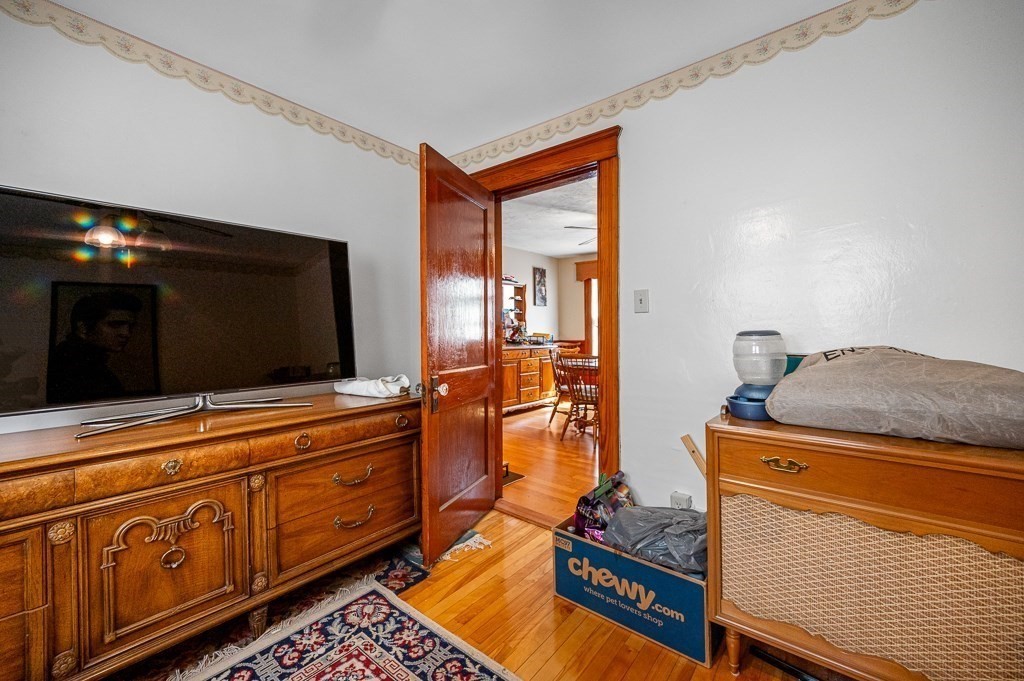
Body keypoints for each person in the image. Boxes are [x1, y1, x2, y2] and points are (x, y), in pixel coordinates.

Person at [46, 291, 142, 404]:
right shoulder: (70, 368)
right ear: (83, 328)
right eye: (115, 324)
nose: (126, 333)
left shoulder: (86, 363)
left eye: (130, 326)